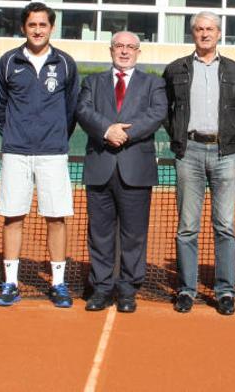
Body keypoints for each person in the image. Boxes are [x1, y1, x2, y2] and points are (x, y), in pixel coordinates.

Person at [162, 11, 235, 316]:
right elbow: (165, 109)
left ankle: (225, 291)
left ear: (219, 33)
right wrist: (177, 138)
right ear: (192, 34)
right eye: (199, 29)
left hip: (225, 154)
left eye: (210, 29)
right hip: (190, 153)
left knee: (225, 226)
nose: (204, 33)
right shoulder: (176, 69)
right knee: (187, 227)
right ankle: (187, 289)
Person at [0, 2, 79, 308]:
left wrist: (54, 136)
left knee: (56, 217)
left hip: (53, 153)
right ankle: (10, 283)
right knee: (13, 216)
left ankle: (58, 283)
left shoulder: (65, 64)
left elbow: (71, 110)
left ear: (51, 28)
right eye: (32, 25)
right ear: (23, 28)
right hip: (16, 152)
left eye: (43, 25)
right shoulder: (8, 62)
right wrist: (15, 135)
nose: (38, 30)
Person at [76, 31, 167, 313]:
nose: (124, 51)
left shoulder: (154, 83)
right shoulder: (92, 81)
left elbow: (157, 114)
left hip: (135, 168)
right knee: (100, 233)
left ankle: (128, 290)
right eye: (119, 46)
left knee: (134, 234)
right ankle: (101, 288)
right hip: (100, 166)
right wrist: (107, 130)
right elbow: (83, 110)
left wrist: (124, 134)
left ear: (139, 52)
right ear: (111, 50)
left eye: (130, 47)